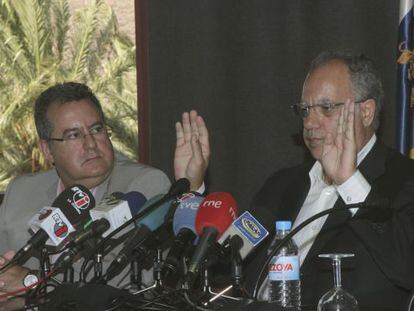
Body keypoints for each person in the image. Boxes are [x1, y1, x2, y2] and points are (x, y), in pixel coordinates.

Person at [0, 82, 210, 303]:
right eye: (74, 135)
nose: (90, 144)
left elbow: (124, 286)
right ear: (47, 150)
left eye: (96, 129)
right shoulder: (21, 191)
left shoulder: (143, 187)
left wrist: (31, 283)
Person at [243, 51, 414, 310]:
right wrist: (192, 191)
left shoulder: (403, 179)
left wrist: (348, 182)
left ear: (366, 112)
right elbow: (230, 258)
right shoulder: (282, 184)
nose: (310, 123)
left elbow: (407, 265)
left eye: (326, 108)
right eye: (305, 110)